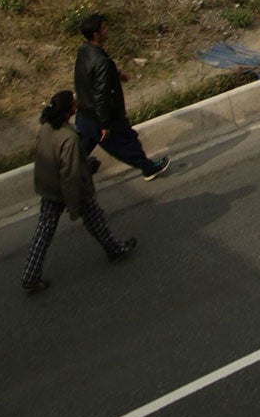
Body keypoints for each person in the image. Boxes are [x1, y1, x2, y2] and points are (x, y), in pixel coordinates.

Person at [21, 90, 135, 295]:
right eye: (73, 103)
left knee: (43, 232)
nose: (76, 105)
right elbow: (71, 175)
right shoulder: (69, 138)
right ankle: (115, 250)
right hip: (72, 190)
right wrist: (73, 205)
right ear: (69, 111)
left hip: (48, 187)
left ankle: (30, 275)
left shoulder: (47, 127)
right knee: (95, 219)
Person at [74, 16, 171, 180]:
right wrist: (104, 124)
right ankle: (148, 168)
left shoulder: (84, 51)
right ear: (96, 34)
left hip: (84, 113)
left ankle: (63, 176)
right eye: (104, 28)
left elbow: (94, 75)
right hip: (103, 116)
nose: (107, 30)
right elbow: (101, 96)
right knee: (127, 142)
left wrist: (117, 74)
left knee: (79, 149)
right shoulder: (101, 62)